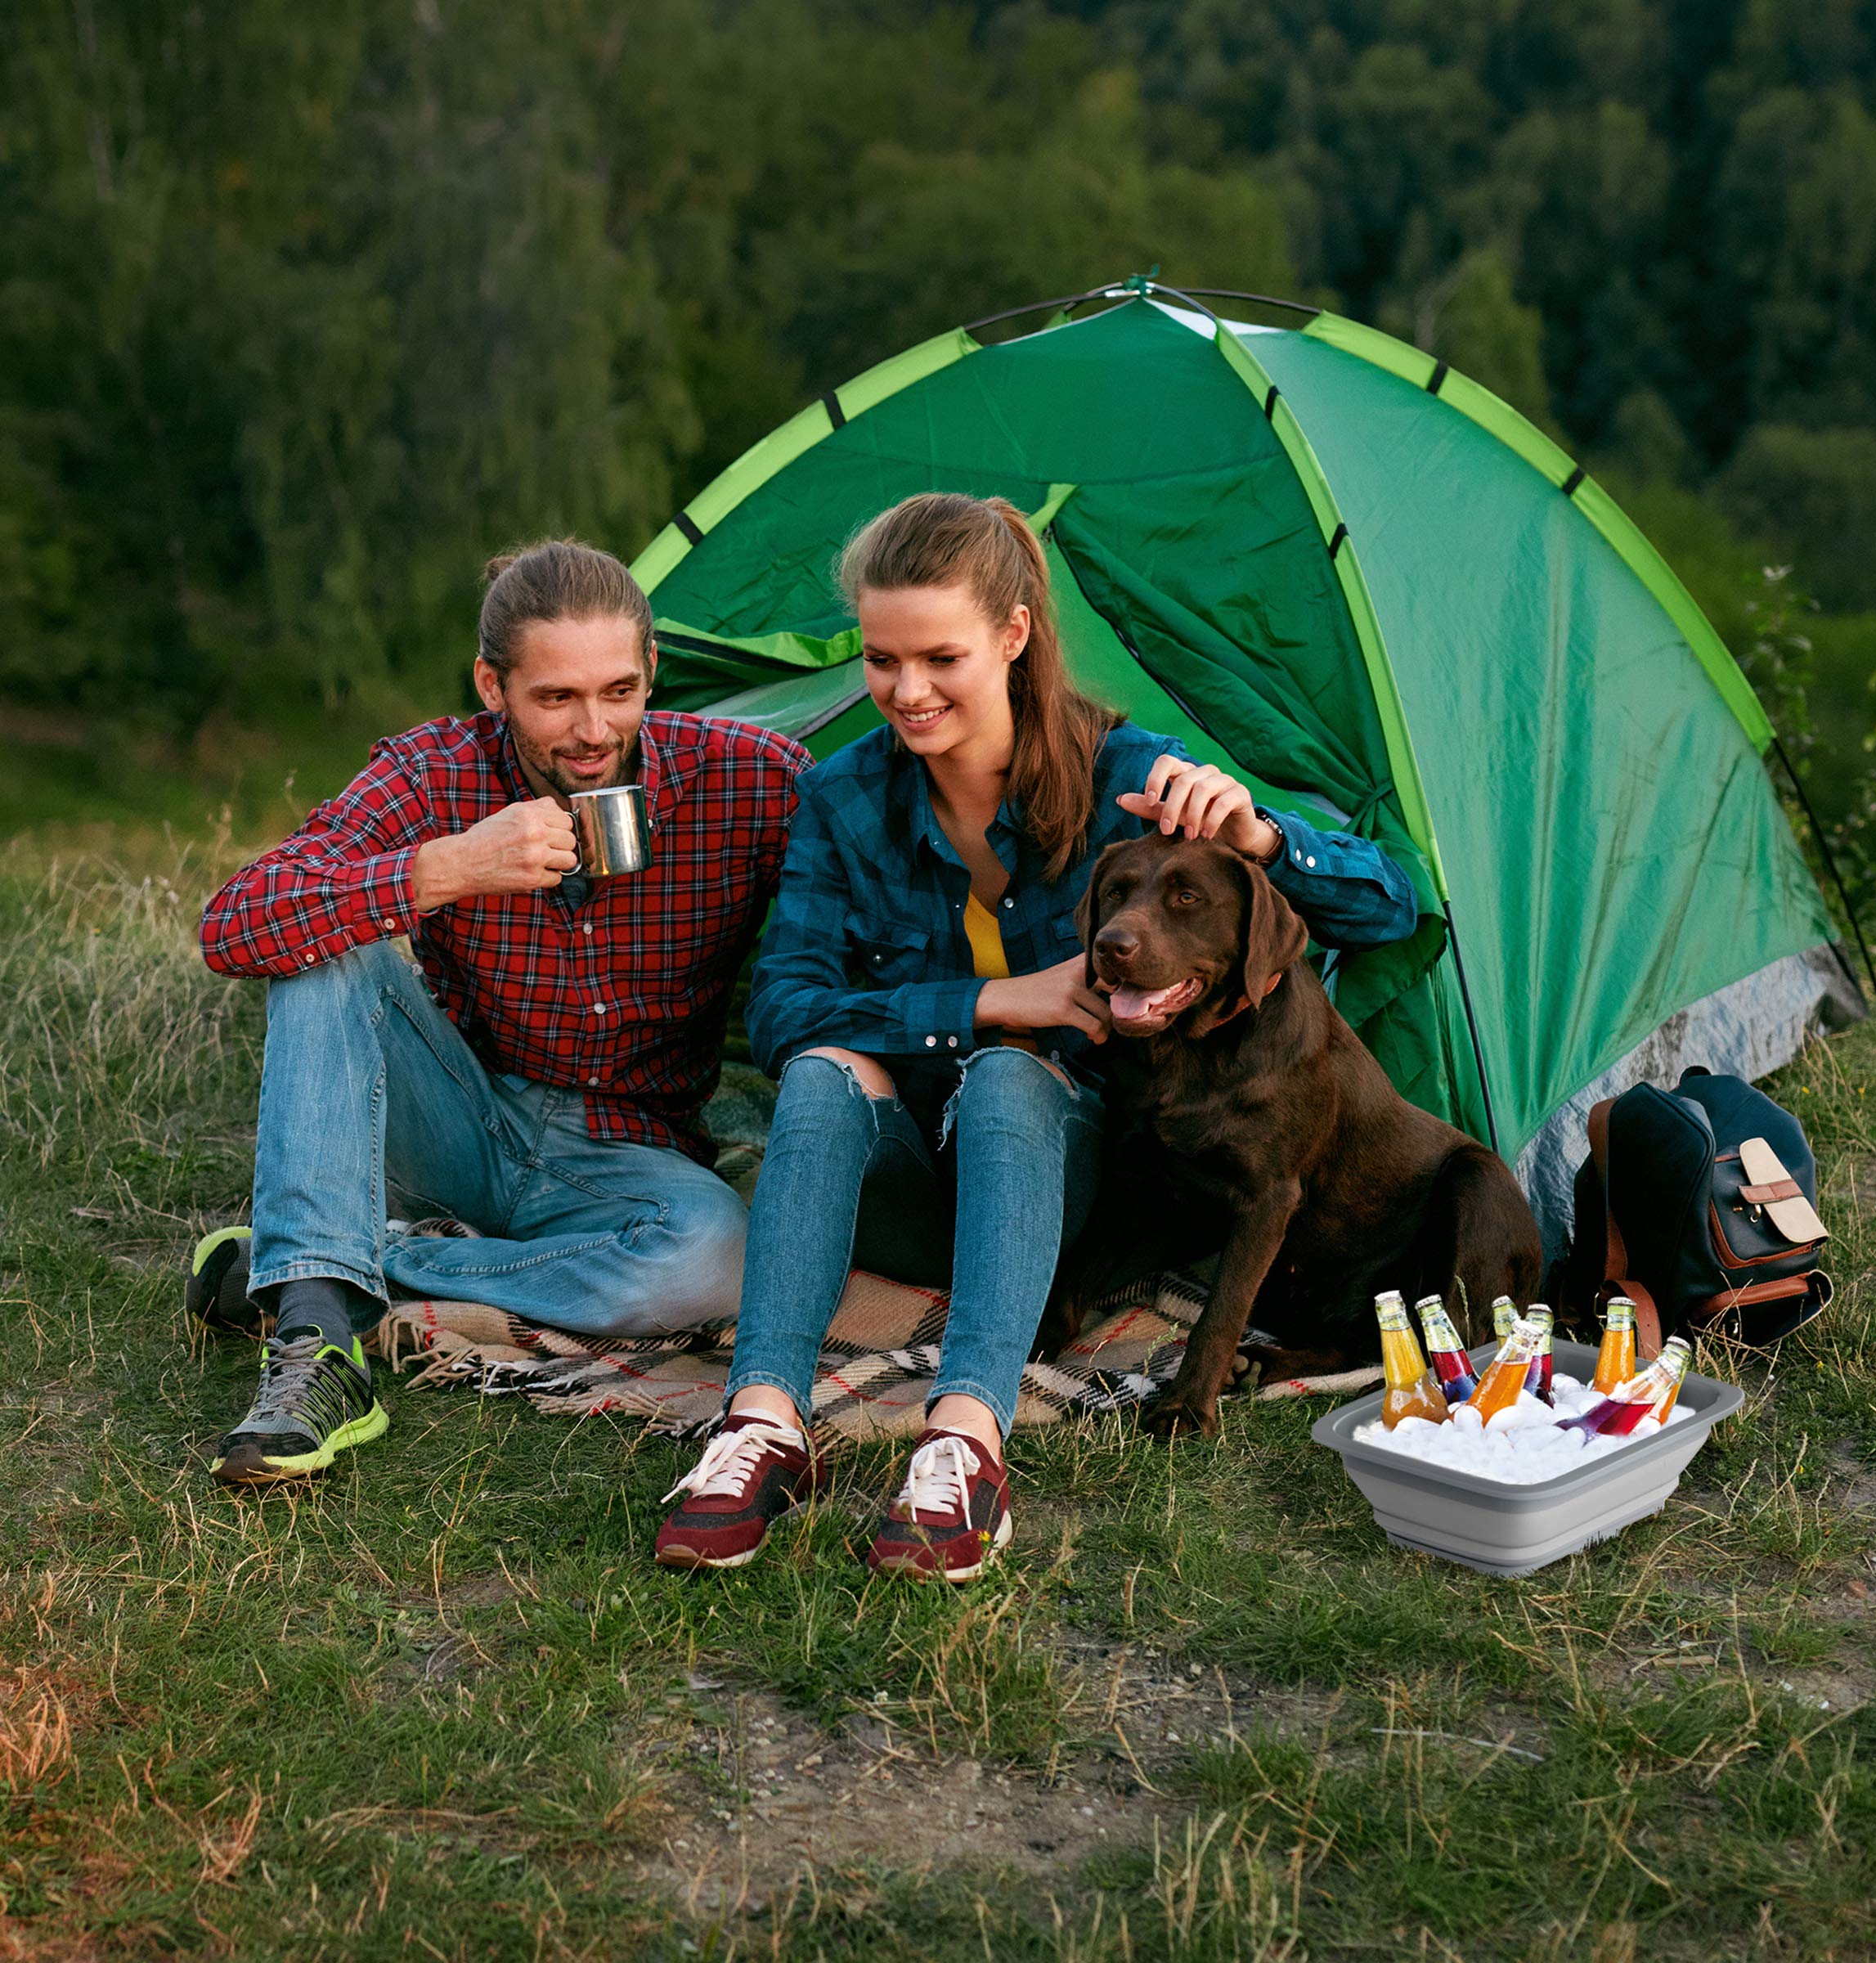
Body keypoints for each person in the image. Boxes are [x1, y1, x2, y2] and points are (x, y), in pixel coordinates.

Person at [653, 492, 1416, 1582]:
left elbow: (1389, 903)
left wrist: (1257, 835)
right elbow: (782, 1009)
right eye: (881, 659)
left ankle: (965, 1441)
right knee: (823, 1073)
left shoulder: (1128, 779)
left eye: (940, 658)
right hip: (915, 1187)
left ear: (1012, 638)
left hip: (1068, 1188)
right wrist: (989, 1001)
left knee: (1015, 1080)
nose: (906, 692)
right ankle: (763, 1424)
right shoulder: (845, 800)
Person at [190, 540, 808, 1485]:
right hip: (461, 1117)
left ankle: (341, 1265)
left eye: (617, 691)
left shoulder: (746, 777)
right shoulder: (436, 772)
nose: (593, 730)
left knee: (717, 1259)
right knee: (327, 945)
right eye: (555, 698)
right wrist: (447, 869)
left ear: (652, 673)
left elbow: (888, 847)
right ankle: (318, 1348)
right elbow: (236, 924)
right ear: (494, 685)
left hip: (627, 1155)